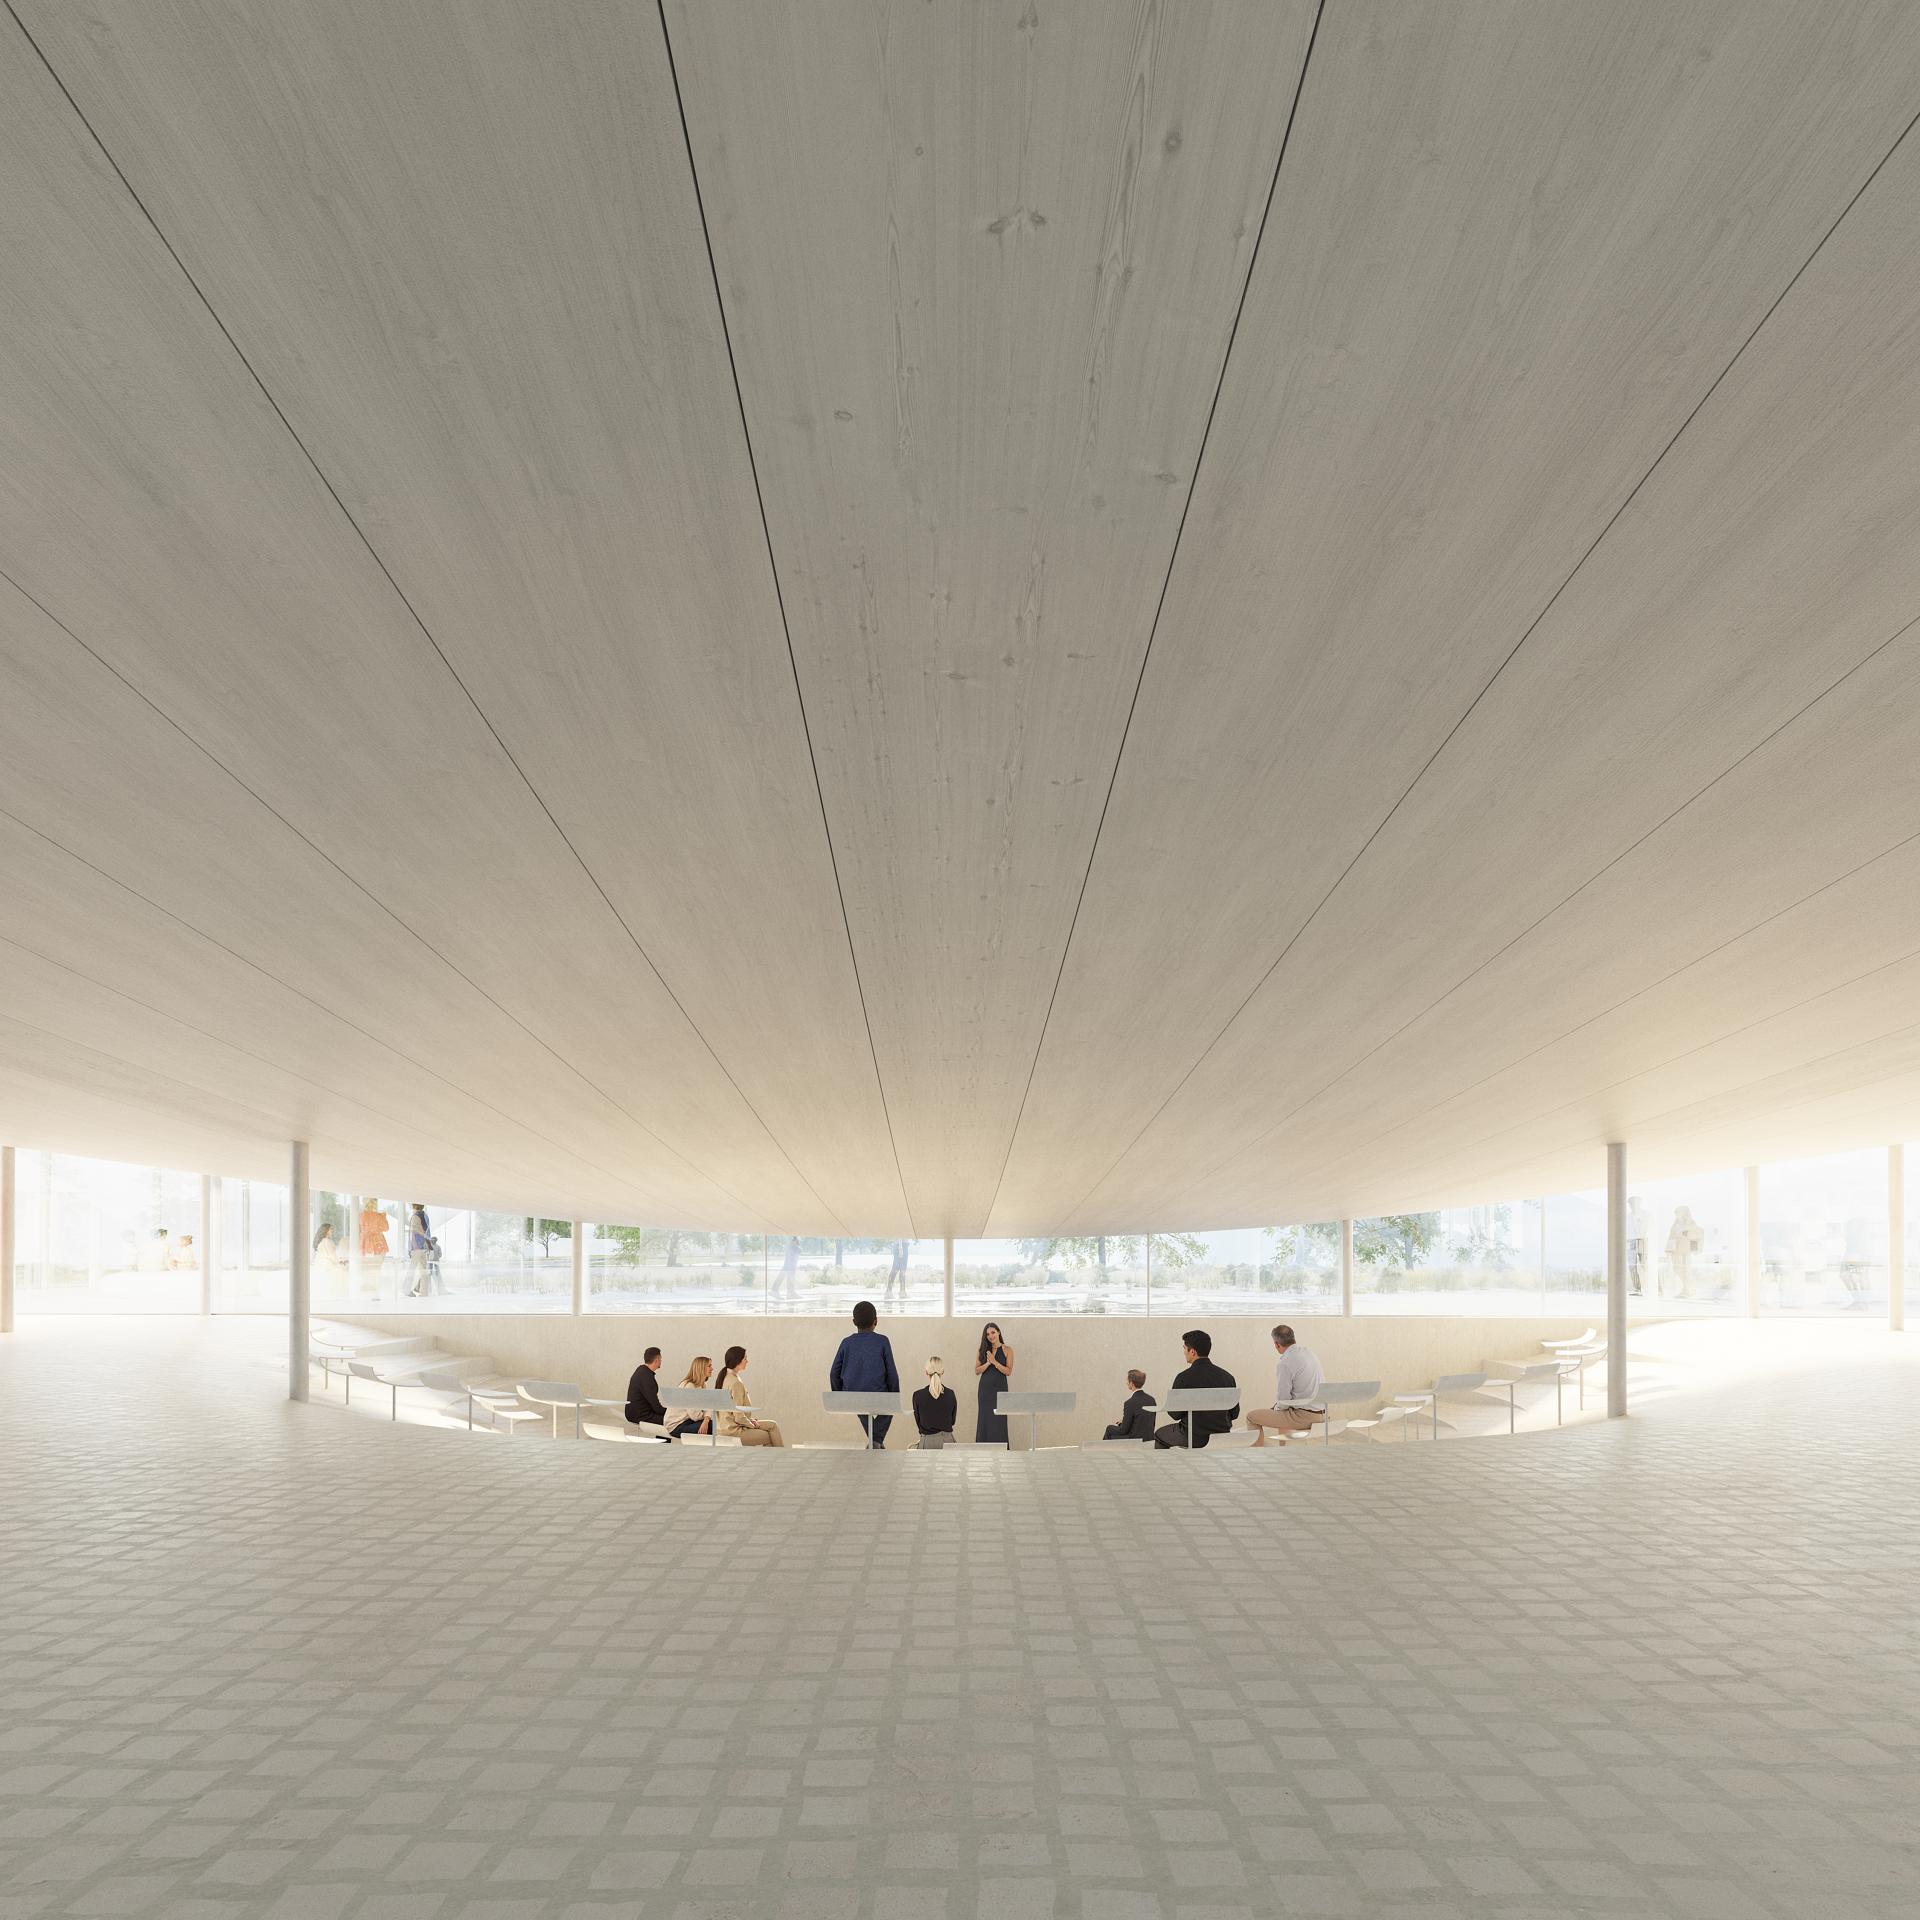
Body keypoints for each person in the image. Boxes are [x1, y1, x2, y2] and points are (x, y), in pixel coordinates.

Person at [829, 1299, 898, 1448]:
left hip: (852, 1395)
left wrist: (838, 1394)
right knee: (888, 1406)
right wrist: (894, 1397)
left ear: (854, 1322)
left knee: (859, 1401)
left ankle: (875, 1441)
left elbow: (833, 1373)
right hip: (878, 1395)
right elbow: (892, 1374)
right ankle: (877, 1441)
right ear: (876, 1321)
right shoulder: (882, 1341)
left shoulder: (846, 1342)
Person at [1153, 1330, 1239, 1449]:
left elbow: (1174, 1414)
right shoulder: (1227, 1377)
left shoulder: (1183, 1378)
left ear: (1192, 1351)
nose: (1184, 1352)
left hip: (1192, 1437)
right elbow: (1234, 1414)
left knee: (1159, 1434)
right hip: (1221, 1435)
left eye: (1184, 1348)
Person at [1248, 1324, 1324, 1446]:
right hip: (1321, 1414)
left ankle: (1258, 1452)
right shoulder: (1309, 1353)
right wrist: (1278, 1407)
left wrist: (1275, 1408)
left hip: (1304, 1417)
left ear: (1277, 1344)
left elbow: (1283, 1400)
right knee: (1282, 1410)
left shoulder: (1285, 1362)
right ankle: (1284, 1449)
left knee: (1251, 1417)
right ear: (1293, 1338)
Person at [716, 1346, 784, 1446]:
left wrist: (750, 1421)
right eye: (745, 1358)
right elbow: (739, 1418)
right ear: (738, 1360)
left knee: (773, 1425)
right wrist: (752, 1425)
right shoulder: (735, 1383)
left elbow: (734, 1414)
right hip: (734, 1431)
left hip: (725, 1428)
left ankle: (777, 1455)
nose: (747, 1361)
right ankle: (780, 1455)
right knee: (770, 1435)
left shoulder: (726, 1377)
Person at [975, 1321, 1013, 1445]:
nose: (991, 1336)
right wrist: (988, 1363)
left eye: (993, 1332)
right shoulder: (982, 1350)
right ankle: (983, 1451)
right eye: (988, 1334)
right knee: (984, 1419)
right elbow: (977, 1370)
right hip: (985, 1390)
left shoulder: (1008, 1350)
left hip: (1000, 1389)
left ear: (998, 1332)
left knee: (999, 1420)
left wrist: (995, 1362)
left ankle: (1001, 1450)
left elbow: (1008, 1371)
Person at [665, 1355, 714, 1442]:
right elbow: (695, 1415)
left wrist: (706, 1419)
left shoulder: (703, 1385)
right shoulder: (689, 1386)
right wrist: (706, 1417)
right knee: (712, 1426)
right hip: (676, 1426)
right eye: (709, 1366)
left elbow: (708, 1406)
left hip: (688, 1421)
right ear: (701, 1368)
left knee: (713, 1425)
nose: (712, 1369)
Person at [912, 1357, 957, 1448]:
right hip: (947, 1442)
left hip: (926, 1442)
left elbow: (919, 1422)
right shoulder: (950, 1394)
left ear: (926, 1372)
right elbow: (952, 1421)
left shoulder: (917, 1395)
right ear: (942, 1372)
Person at [1103, 1369, 1155, 1441]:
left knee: (1109, 1428)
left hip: (1135, 1440)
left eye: (1127, 1381)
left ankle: (1102, 1448)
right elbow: (1141, 1421)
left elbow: (1123, 1431)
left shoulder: (1129, 1403)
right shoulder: (1151, 1400)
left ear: (1131, 1383)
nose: (1126, 1383)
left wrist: (1122, 1424)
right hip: (1149, 1439)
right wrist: (1124, 1421)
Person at [624, 1345, 666, 1430]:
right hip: (640, 1415)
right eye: (660, 1359)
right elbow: (656, 1407)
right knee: (672, 1421)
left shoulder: (641, 1370)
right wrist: (672, 1413)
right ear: (657, 1360)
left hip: (634, 1412)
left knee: (669, 1418)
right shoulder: (647, 1377)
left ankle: (662, 1439)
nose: (661, 1361)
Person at [358, 1199, 390, 1278]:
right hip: (378, 1243)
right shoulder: (378, 1216)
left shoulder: (361, 1215)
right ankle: (374, 1283)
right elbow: (386, 1228)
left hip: (365, 1243)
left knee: (365, 1268)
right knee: (376, 1269)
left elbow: (359, 1229)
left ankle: (366, 1283)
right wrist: (383, 1216)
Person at [406, 1203, 431, 1296]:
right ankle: (424, 1292)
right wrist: (428, 1245)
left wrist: (411, 1248)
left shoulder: (415, 1217)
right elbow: (428, 1233)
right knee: (424, 1271)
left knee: (411, 1270)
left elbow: (413, 1233)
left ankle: (407, 1290)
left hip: (416, 1247)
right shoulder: (425, 1216)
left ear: (414, 1206)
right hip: (424, 1247)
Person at [883, 1238, 909, 1307]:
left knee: (899, 1269)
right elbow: (900, 1234)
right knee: (898, 1269)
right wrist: (900, 1247)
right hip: (901, 1246)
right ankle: (896, 1292)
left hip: (901, 1245)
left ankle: (900, 1292)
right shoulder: (900, 1246)